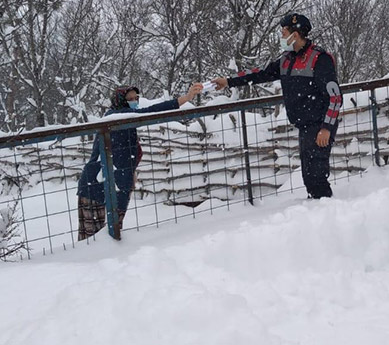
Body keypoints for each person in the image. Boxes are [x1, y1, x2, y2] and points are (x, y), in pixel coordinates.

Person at [212, 13, 341, 199]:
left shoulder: (319, 59)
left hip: (319, 124)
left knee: (316, 176)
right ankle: (318, 209)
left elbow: (335, 97)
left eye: (283, 32)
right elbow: (260, 74)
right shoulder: (286, 59)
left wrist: (326, 128)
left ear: (295, 35)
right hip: (305, 125)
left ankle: (326, 212)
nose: (281, 37)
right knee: (309, 175)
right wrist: (229, 81)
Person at [77, 83, 203, 240]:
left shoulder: (125, 121)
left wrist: (131, 171)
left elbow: (125, 153)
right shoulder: (115, 118)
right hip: (96, 186)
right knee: (93, 238)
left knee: (111, 235)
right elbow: (152, 111)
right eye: (130, 98)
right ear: (120, 100)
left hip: (117, 183)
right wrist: (186, 98)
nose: (134, 100)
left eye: (136, 97)